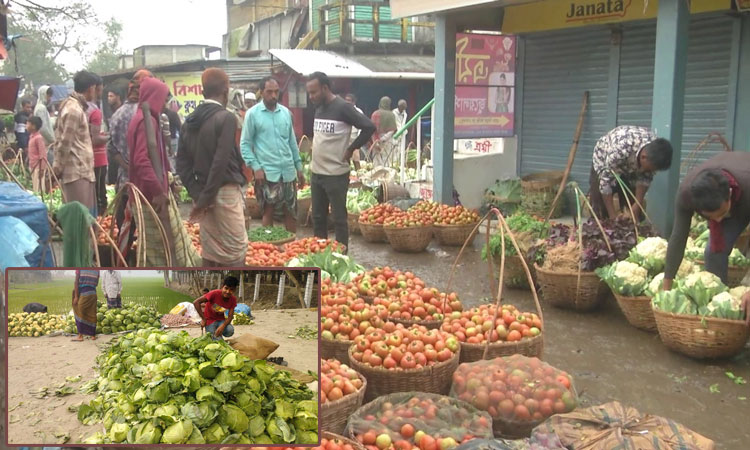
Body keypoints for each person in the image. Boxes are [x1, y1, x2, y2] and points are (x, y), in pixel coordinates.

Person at [120, 76, 198, 267]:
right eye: (163, 98)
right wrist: (157, 191)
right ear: (153, 97)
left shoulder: (147, 119)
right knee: (160, 249)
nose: (164, 103)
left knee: (162, 246)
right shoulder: (145, 122)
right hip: (149, 196)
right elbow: (141, 160)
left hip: (151, 192)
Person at [177, 68, 248, 267]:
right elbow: (220, 162)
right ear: (226, 91)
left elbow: (182, 164)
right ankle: (232, 297)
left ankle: (208, 295)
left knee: (211, 253)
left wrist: (199, 195)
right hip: (223, 192)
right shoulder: (226, 118)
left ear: (202, 93)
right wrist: (205, 199)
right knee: (235, 254)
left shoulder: (189, 122)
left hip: (202, 193)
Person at [306, 72, 375, 250]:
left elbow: (369, 127)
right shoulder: (318, 107)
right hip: (317, 173)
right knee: (318, 217)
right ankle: (320, 253)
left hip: (335, 174)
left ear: (325, 88)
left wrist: (351, 148)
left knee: (338, 219)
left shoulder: (343, 108)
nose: (311, 97)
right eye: (309, 93)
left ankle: (341, 256)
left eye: (314, 92)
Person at [663, 152, 750, 289]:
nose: (718, 219)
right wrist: (666, 286)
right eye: (710, 217)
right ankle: (718, 297)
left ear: (729, 194)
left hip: (744, 195)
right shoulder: (686, 194)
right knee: (714, 253)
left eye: (721, 213)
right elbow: (678, 238)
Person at [241, 76, 304, 233]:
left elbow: (292, 143)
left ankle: (291, 247)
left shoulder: (286, 113)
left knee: (291, 212)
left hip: (288, 171)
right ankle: (270, 248)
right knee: (268, 211)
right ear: (261, 92)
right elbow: (245, 145)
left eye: (276, 92)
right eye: (269, 92)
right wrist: (256, 167)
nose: (274, 96)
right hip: (267, 172)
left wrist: (299, 166)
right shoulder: (252, 114)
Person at [108, 69, 154, 248]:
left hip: (125, 182)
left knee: (125, 228)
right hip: (146, 183)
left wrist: (127, 167)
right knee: (148, 231)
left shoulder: (118, 113)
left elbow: (111, 148)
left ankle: (123, 263)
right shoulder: (147, 112)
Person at [589, 126, 673, 220]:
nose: (649, 172)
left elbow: (645, 179)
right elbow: (605, 184)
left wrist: (637, 205)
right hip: (604, 158)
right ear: (643, 157)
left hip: (631, 162)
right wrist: (612, 216)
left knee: (632, 207)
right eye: (648, 169)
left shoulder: (655, 151)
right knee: (599, 208)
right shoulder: (619, 150)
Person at [53, 70, 97, 217]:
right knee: (78, 219)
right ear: (90, 88)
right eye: (95, 89)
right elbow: (65, 143)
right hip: (76, 173)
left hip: (83, 172)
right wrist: (57, 170)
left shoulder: (76, 107)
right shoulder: (73, 109)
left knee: (85, 219)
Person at [87, 73, 109, 216]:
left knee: (92, 191)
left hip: (87, 156)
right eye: (100, 90)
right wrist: (109, 137)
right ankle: (101, 220)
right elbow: (95, 139)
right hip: (98, 157)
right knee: (99, 191)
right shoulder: (94, 111)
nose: (101, 93)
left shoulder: (82, 107)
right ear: (93, 89)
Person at [193, 276, 240, 340]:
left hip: (221, 320)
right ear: (222, 287)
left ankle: (218, 334)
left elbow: (230, 317)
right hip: (209, 320)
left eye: (231, 289)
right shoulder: (214, 294)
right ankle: (215, 335)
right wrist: (203, 319)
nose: (228, 291)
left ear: (234, 290)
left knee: (230, 330)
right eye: (226, 288)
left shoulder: (233, 299)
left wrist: (222, 326)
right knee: (216, 339)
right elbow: (196, 302)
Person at [71, 269, 100, 341]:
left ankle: (80, 336)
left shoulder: (80, 268)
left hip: (84, 292)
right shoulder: (97, 270)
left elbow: (76, 282)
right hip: (93, 293)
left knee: (79, 312)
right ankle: (93, 335)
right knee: (92, 313)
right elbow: (96, 283)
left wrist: (76, 296)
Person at [370, 96, 398, 165]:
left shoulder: (375, 113)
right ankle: (387, 174)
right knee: (387, 158)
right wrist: (384, 138)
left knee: (376, 157)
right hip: (388, 140)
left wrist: (376, 140)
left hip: (376, 139)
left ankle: (376, 173)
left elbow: (372, 129)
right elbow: (392, 129)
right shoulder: (391, 115)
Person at [26, 116, 48, 193]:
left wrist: (42, 168)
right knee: (35, 185)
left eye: (28, 124)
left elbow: (43, 154)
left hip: (38, 167)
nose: (26, 125)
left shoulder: (38, 138)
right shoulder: (31, 137)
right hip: (33, 165)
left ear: (34, 126)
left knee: (39, 186)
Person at [344, 93, 364, 171]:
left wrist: (359, 137)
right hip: (345, 138)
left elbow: (362, 126)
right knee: (345, 158)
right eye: (346, 100)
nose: (347, 102)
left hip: (355, 138)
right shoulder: (343, 110)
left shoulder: (358, 111)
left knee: (356, 158)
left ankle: (358, 174)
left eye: (349, 100)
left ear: (353, 102)